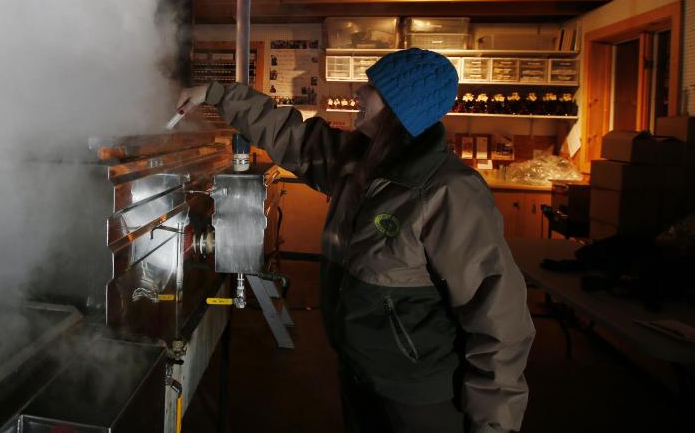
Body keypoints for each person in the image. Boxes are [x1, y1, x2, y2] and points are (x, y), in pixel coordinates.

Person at [177, 48, 535, 433]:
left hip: (418, 392)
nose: (358, 92)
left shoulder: (448, 191)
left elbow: (497, 314)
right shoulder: (359, 164)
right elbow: (289, 134)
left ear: (401, 106)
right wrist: (215, 93)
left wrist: (494, 424)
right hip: (359, 372)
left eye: (371, 86)